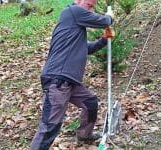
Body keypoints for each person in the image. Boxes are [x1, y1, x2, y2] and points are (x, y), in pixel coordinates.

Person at [30, 0, 114, 149]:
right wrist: (109, 17)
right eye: (90, 5)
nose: (92, 10)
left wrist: (104, 40)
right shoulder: (72, 11)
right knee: (50, 125)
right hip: (58, 80)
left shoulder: (75, 24)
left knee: (90, 103)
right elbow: (103, 21)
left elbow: (86, 48)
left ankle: (84, 135)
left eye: (93, 7)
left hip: (70, 82)